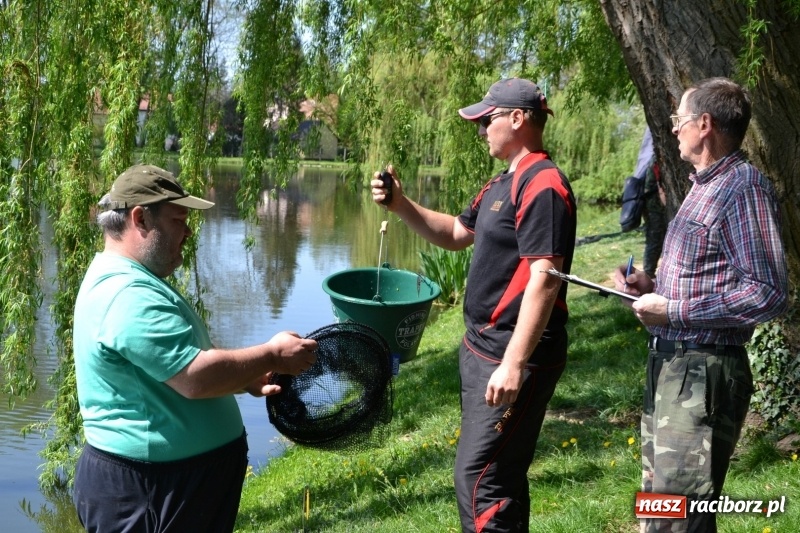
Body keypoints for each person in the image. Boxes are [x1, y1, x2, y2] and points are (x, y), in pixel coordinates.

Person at [372, 78, 577, 532]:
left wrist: (514, 364)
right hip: (481, 350)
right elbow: (455, 235)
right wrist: (402, 204)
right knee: (499, 475)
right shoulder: (502, 182)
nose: (481, 128)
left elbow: (545, 278)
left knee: (479, 480)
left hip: (509, 355)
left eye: (488, 119)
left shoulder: (543, 184)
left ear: (518, 119)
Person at [72, 164, 318, 532]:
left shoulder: (135, 279)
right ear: (140, 218)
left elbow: (181, 354)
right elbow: (194, 377)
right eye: (178, 220)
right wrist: (271, 354)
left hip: (172, 484)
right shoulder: (126, 294)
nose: (189, 231)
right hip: (149, 490)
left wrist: (246, 377)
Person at [613, 77, 789, 532]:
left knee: (679, 519)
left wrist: (672, 311)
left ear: (704, 124)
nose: (673, 130)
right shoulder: (705, 186)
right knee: (659, 510)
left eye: (679, 120)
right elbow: (708, 274)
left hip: (702, 373)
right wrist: (649, 285)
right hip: (672, 367)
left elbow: (767, 292)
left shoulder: (742, 188)